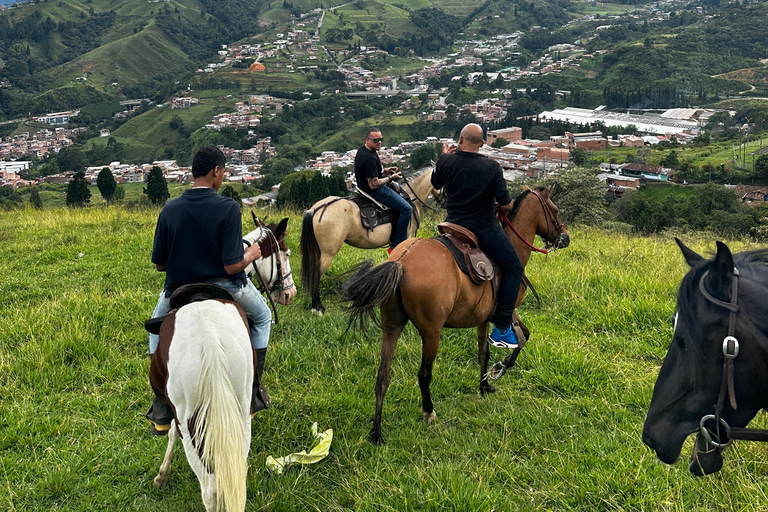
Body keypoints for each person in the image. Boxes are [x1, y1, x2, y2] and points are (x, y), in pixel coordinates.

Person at [145, 146, 273, 435]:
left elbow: (160, 266)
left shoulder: (169, 209)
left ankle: (161, 406)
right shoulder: (227, 207)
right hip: (226, 285)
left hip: (178, 288)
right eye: (224, 171)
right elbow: (230, 267)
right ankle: (252, 392)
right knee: (264, 317)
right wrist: (250, 256)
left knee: (155, 330)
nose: (223, 176)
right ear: (216, 171)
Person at [431, 124, 524, 348]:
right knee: (514, 268)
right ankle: (502, 327)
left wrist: (442, 158)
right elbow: (506, 204)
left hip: (451, 226)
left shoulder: (445, 160)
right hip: (482, 229)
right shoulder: (491, 167)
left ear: (460, 139)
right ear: (482, 144)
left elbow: (435, 183)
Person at [354, 126, 412, 252]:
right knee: (407, 209)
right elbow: (373, 184)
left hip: (364, 186)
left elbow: (374, 172)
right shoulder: (369, 157)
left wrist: (385, 171)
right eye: (376, 140)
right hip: (374, 191)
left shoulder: (364, 150)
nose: (379, 142)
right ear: (368, 140)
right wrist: (391, 177)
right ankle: (397, 245)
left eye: (381, 139)